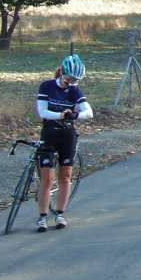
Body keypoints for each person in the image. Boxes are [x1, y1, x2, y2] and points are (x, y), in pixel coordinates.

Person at [34, 54, 94, 232]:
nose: (71, 83)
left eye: (75, 81)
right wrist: (59, 115)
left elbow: (89, 112)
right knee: (47, 178)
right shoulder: (47, 86)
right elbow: (42, 112)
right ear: (61, 73)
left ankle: (60, 213)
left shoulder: (74, 91)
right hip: (49, 134)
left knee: (65, 176)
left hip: (67, 136)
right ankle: (42, 216)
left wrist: (74, 115)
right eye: (69, 79)